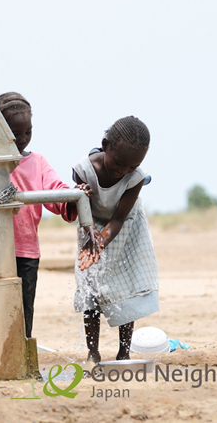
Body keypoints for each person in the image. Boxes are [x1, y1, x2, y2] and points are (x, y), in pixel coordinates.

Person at [0, 92, 87, 340]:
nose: (23, 139)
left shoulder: (37, 162)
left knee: (23, 309)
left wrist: (72, 194)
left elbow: (54, 190)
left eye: (28, 132)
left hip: (25, 251)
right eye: (16, 133)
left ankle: (21, 355)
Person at [71, 116, 159, 363]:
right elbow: (81, 208)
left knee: (125, 285)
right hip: (90, 223)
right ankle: (92, 352)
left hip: (126, 226)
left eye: (131, 167)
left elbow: (119, 219)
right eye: (120, 163)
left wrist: (101, 241)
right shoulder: (83, 170)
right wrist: (92, 238)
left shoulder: (136, 177)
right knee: (90, 284)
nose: (123, 171)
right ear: (105, 144)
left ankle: (124, 352)